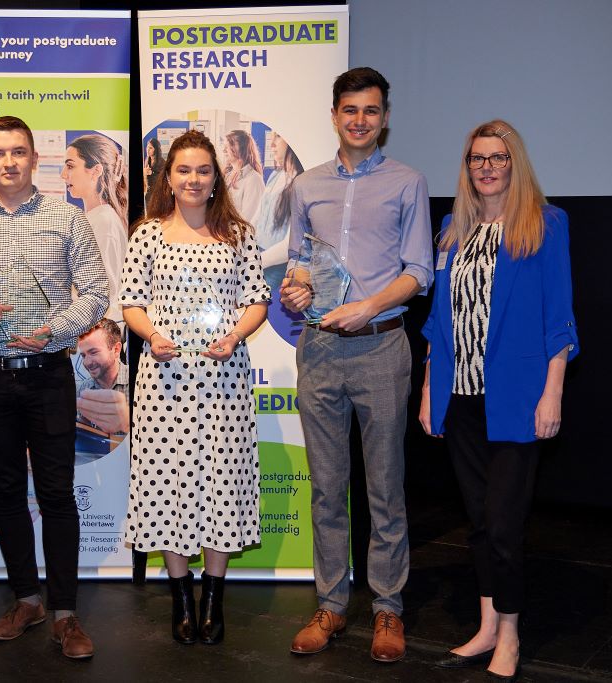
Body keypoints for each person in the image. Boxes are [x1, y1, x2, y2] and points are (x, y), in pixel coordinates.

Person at [0, 115, 108, 660]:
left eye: (18, 152)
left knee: (56, 494)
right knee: (7, 491)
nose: (9, 162)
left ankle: (65, 613)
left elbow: (98, 293)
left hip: (50, 376)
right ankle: (25, 599)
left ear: (36, 159)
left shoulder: (67, 219)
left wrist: (55, 330)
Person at [281, 67, 433, 663]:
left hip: (380, 347)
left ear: (385, 117)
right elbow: (298, 260)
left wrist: (364, 306)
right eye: (350, 110)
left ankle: (388, 610)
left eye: (371, 111)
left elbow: (418, 270)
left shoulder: (408, 182)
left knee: (385, 486)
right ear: (335, 115)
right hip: (318, 349)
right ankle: (331, 605)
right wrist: (295, 289)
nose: (360, 120)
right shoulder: (306, 186)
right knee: (325, 487)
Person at [421, 120, 578, 680]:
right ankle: (486, 626)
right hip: (459, 398)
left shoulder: (545, 224)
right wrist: (428, 389)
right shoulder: (450, 232)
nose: (486, 167)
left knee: (506, 528)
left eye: (497, 158)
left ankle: (510, 635)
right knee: (480, 525)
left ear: (515, 164)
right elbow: (440, 322)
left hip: (516, 398)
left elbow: (559, 318)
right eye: (476, 159)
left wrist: (552, 393)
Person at [120, 130, 270, 646]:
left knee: (221, 484)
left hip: (223, 380)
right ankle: (180, 596)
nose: (193, 178)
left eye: (203, 170)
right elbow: (132, 303)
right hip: (164, 383)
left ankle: (214, 598)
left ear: (215, 178)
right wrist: (151, 335)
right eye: (183, 170)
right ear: (169, 177)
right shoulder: (147, 235)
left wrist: (234, 335)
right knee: (168, 486)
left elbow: (257, 300)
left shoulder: (239, 235)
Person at [61, 134, 128, 310]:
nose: (63, 175)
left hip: (94, 332)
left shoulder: (104, 222)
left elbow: (105, 295)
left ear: (96, 171)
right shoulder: (94, 218)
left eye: (70, 166)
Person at [252, 132, 305, 291]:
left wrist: (255, 262)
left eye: (278, 137)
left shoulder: (301, 182)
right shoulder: (275, 175)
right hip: (259, 259)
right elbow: (256, 219)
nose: (272, 144)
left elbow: (289, 245)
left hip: (276, 267)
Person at [75, 319, 129, 435]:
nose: (87, 362)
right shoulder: (82, 390)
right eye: (83, 355)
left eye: (94, 352)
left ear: (116, 349)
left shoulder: (139, 384)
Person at [222, 129, 265, 223]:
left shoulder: (254, 179)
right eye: (224, 146)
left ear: (242, 148)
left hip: (238, 235)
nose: (224, 150)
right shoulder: (227, 176)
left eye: (230, 145)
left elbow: (248, 220)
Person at [143, 138, 165, 209]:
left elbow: (163, 178)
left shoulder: (162, 162)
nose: (147, 150)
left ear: (156, 149)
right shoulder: (147, 160)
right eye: (147, 147)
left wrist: (152, 173)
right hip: (149, 193)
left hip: (158, 194)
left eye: (150, 148)